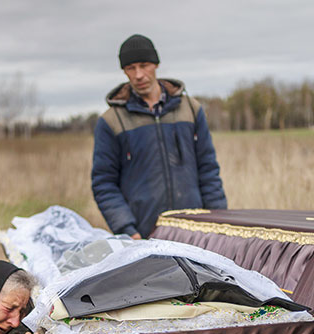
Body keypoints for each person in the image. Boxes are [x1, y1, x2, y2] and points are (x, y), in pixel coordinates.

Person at [91, 33, 227, 240]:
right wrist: (128, 231)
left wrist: (219, 222)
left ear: (156, 64)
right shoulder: (111, 121)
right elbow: (104, 183)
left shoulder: (190, 109)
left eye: (144, 65)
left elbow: (208, 168)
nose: (138, 75)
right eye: (131, 68)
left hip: (195, 231)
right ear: (124, 71)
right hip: (145, 236)